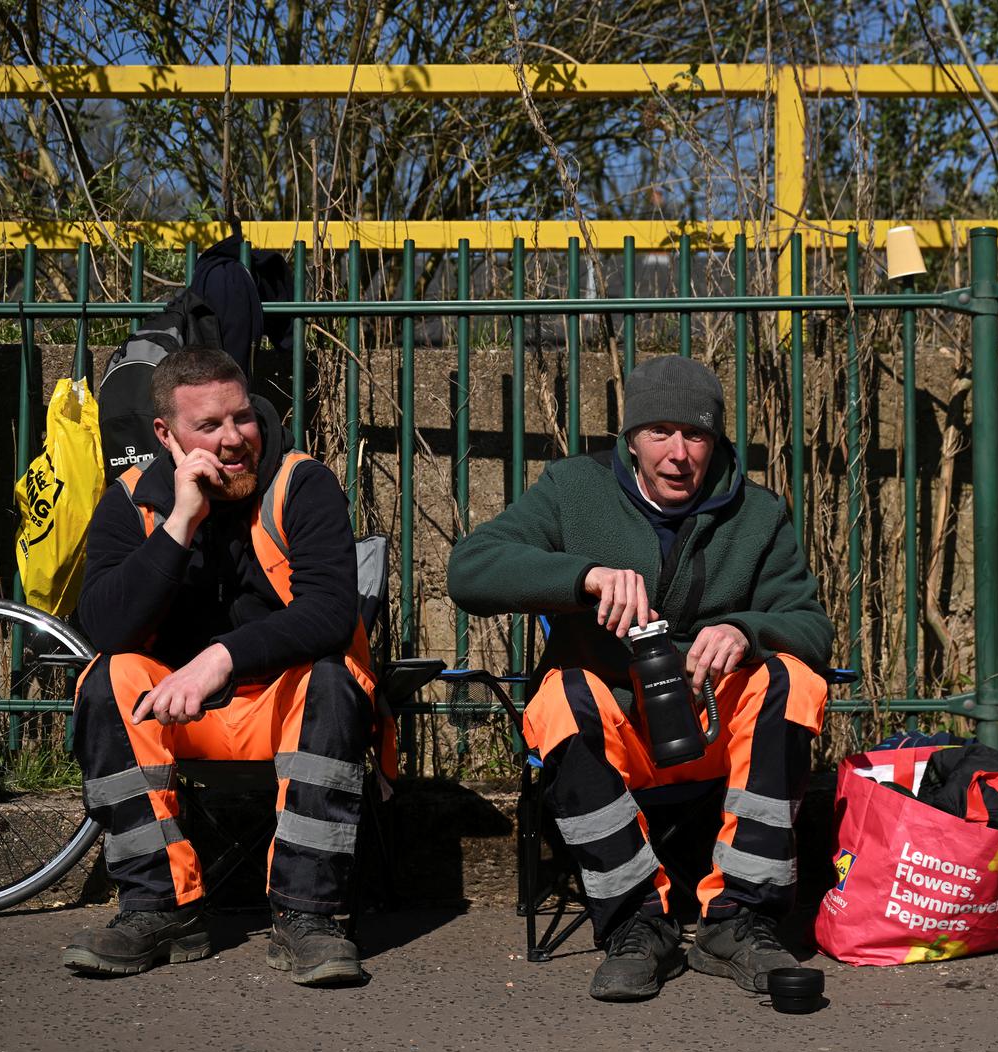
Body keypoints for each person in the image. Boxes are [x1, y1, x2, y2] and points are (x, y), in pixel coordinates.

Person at [447, 353, 833, 1002]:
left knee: (795, 680)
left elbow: (813, 629)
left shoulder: (759, 514)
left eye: (697, 435)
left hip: (713, 726)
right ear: (630, 438)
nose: (679, 453)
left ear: (717, 441)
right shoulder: (573, 490)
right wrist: (584, 577)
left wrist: (746, 630)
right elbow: (469, 571)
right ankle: (635, 924)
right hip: (620, 728)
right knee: (561, 700)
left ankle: (742, 919)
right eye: (660, 432)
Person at [66, 346, 376, 988]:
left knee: (334, 675)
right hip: (179, 713)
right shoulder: (132, 501)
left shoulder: (302, 482)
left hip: (282, 705)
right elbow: (104, 627)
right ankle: (159, 908)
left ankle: (309, 916)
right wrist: (180, 521)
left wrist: (221, 659)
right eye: (209, 426)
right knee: (107, 678)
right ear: (166, 435)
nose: (235, 440)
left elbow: (330, 611)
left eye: (243, 418)